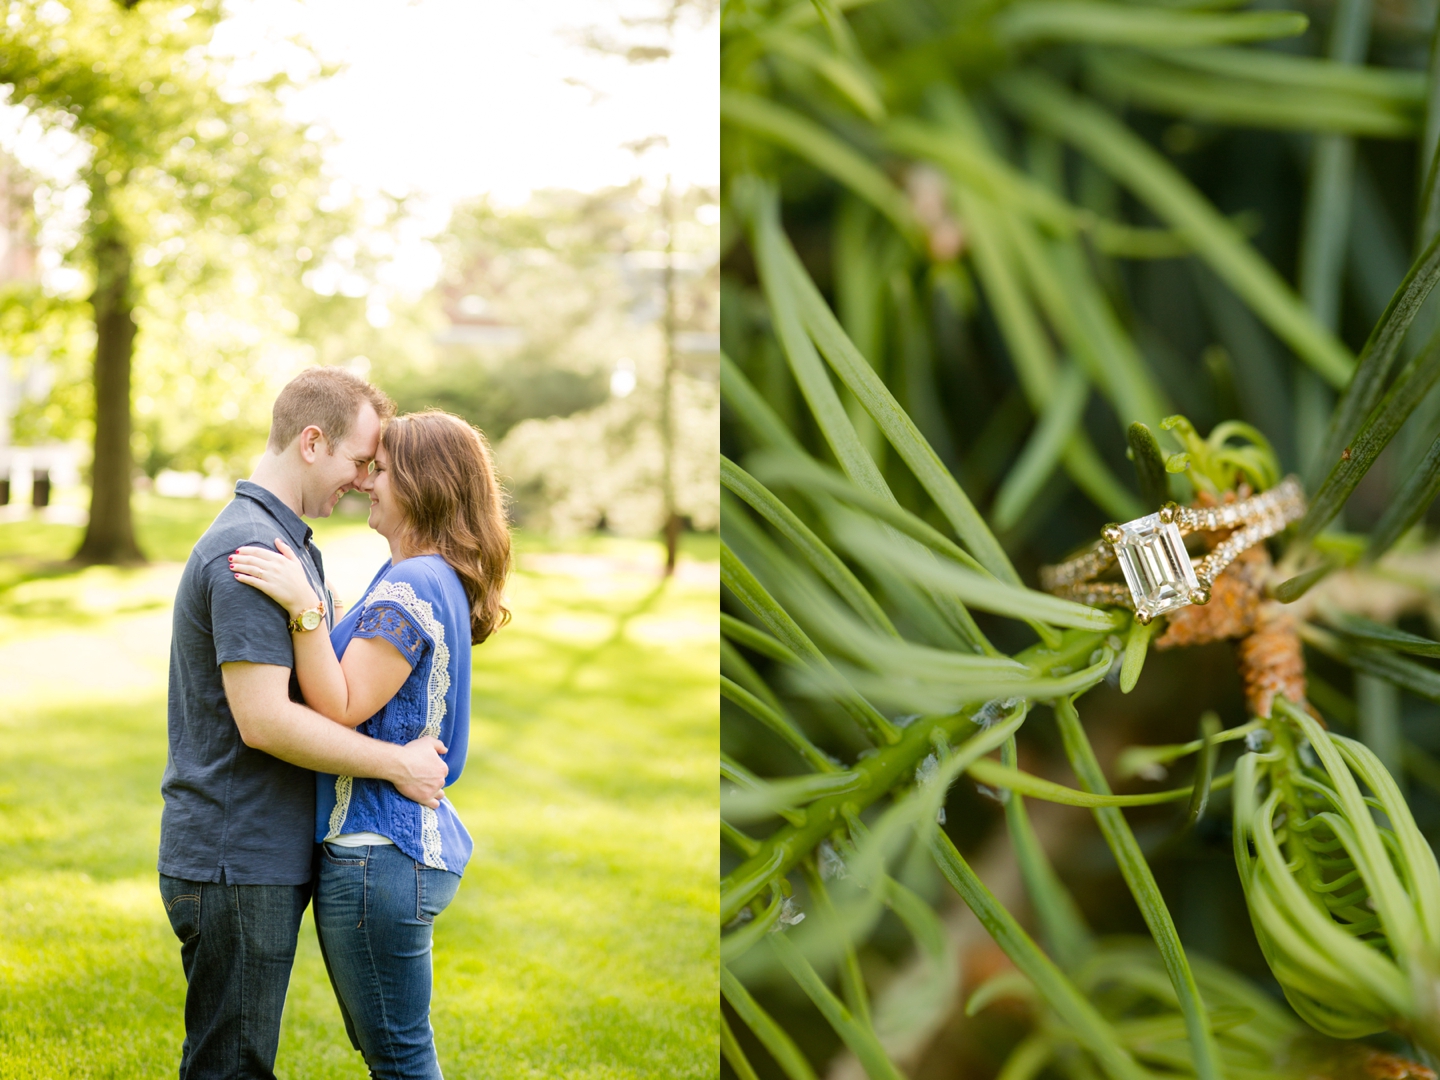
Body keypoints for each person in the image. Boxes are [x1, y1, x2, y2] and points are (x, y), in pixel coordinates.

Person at [159, 367, 453, 1080]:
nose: (361, 480)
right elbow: (263, 722)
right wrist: (396, 764)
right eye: (359, 461)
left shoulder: (289, 545)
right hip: (237, 852)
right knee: (231, 1066)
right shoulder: (249, 555)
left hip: (259, 849)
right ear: (312, 442)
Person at [229, 409, 511, 1080]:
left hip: (376, 853)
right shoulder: (427, 575)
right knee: (397, 1052)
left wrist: (306, 609)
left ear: (422, 484)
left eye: (379, 471)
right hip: (389, 855)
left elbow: (343, 702)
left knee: (401, 1059)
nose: (366, 483)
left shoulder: (414, 583)